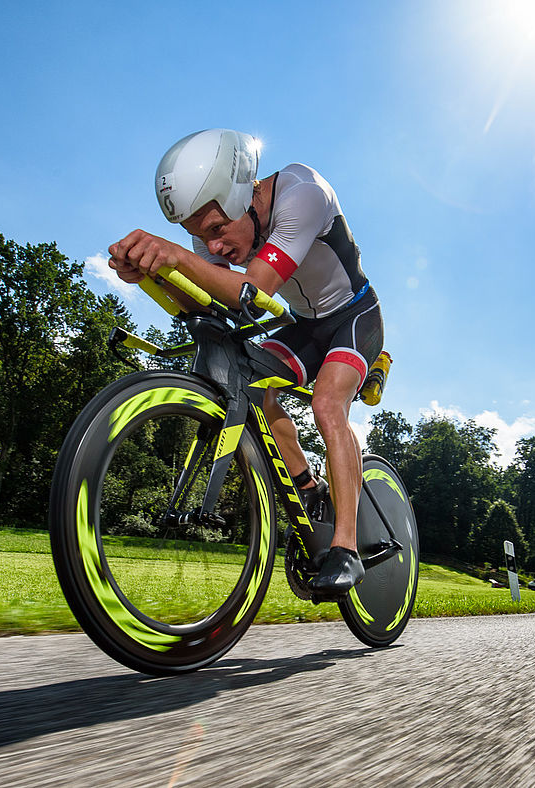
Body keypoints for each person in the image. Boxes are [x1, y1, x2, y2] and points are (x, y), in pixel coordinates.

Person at [107, 129, 382, 597]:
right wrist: (157, 273)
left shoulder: (303, 194)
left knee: (326, 405)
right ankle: (308, 486)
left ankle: (346, 548)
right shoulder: (217, 235)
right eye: (196, 237)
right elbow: (209, 307)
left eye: (215, 231)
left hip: (354, 317)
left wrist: (174, 256)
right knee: (254, 385)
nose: (211, 247)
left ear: (248, 196)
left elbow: (251, 294)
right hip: (301, 326)